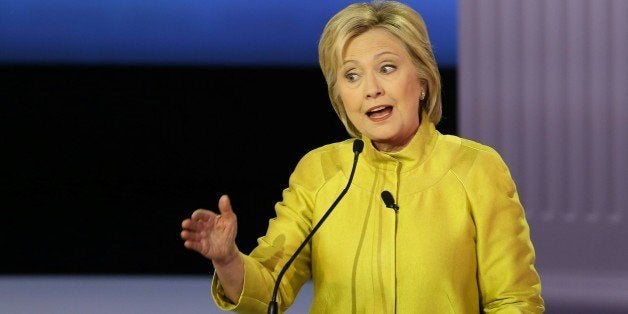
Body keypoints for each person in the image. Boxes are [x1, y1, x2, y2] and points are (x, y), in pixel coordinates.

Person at [180, 0, 545, 312]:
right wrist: (228, 260)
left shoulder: (476, 169)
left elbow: (514, 301)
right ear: (340, 96)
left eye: (386, 68)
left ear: (421, 81)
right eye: (352, 76)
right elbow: (270, 289)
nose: (371, 89)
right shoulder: (319, 172)